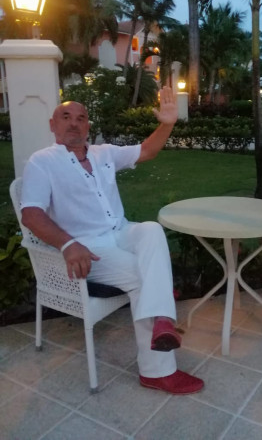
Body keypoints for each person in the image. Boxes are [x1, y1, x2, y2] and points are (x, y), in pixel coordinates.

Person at [20, 87, 204, 395]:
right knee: (145, 279)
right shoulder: (42, 162)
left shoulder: (103, 153)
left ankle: (162, 319)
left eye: (81, 118)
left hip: (121, 231)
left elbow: (147, 151)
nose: (74, 123)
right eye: (66, 117)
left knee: (151, 229)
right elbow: (31, 214)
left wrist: (167, 123)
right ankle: (157, 370)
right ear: (53, 125)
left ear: (88, 126)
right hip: (89, 249)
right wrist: (68, 244)